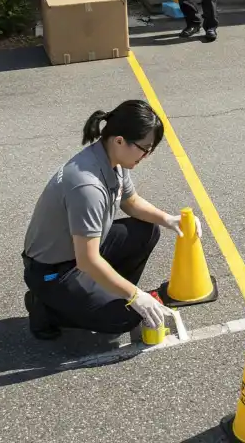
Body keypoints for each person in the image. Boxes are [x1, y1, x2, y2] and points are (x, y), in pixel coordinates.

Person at [21, 100, 205, 340]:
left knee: (147, 231)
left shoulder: (112, 159)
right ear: (119, 140)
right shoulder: (87, 186)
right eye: (144, 148)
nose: (147, 155)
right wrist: (135, 296)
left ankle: (106, 294)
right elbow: (87, 261)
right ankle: (45, 307)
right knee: (127, 316)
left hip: (78, 253)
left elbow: (131, 202)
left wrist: (168, 219)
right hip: (54, 272)